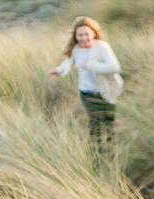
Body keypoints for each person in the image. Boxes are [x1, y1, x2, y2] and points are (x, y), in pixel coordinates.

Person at [49, 16, 123, 148]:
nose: (84, 38)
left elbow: (115, 67)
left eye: (87, 34)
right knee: (95, 125)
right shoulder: (76, 49)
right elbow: (69, 62)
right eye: (80, 35)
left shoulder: (102, 47)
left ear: (94, 33)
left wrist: (90, 65)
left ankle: (111, 152)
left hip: (106, 92)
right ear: (75, 36)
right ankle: (94, 156)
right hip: (87, 94)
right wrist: (59, 70)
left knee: (109, 124)